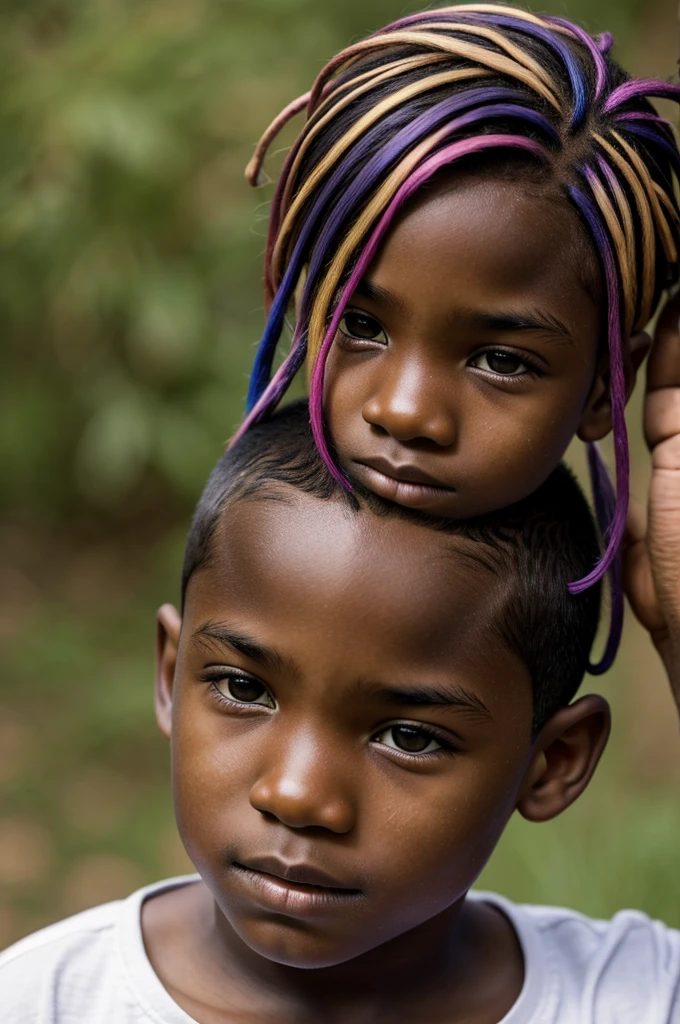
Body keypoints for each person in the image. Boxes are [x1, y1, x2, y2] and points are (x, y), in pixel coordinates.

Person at [1, 296, 679, 1023]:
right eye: (242, 688)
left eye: (409, 737)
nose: (297, 796)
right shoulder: (42, 1001)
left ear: (553, 762)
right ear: (171, 675)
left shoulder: (632, 997)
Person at [233, 3, 680, 670]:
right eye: (361, 325)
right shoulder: (238, 547)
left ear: (601, 389)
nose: (406, 411)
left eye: (500, 360)